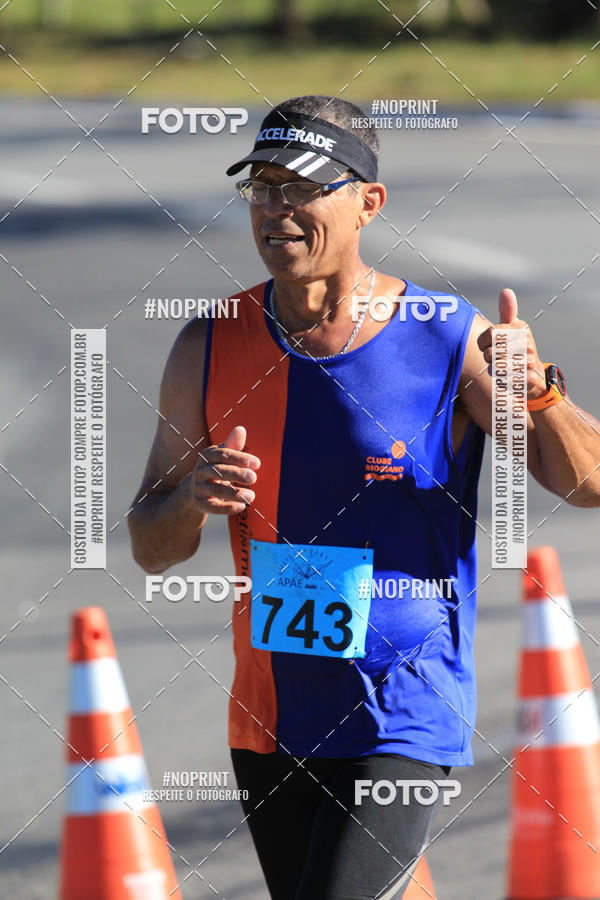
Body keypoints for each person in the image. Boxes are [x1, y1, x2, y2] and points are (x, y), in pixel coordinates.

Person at [129, 95, 600, 899]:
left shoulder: (447, 333)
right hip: (273, 708)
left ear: (367, 203)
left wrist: (544, 392)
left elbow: (585, 484)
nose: (277, 210)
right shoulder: (208, 343)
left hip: (406, 706)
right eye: (263, 188)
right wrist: (193, 499)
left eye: (302, 187)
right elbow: (150, 545)